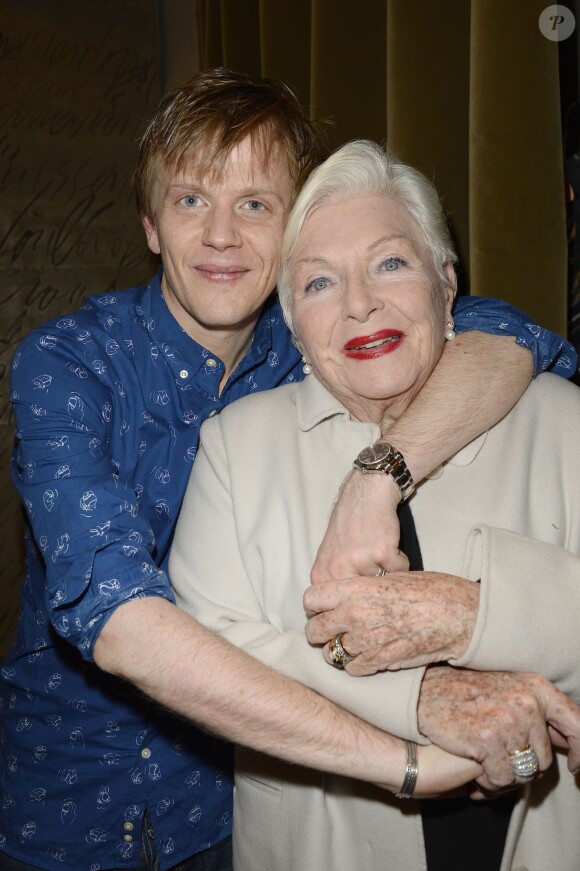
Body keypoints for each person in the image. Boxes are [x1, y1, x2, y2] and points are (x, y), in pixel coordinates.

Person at [1, 68, 575, 871]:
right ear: (151, 224)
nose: (223, 236)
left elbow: (500, 329)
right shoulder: (67, 364)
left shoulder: (315, 336)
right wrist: (411, 755)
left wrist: (380, 473)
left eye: (256, 205)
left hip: (226, 804)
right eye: (191, 200)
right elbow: (122, 620)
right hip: (68, 798)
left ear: (293, 226)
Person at [169, 140, 580, 871]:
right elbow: (215, 657)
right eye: (320, 283)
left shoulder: (563, 421)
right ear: (293, 321)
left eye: (390, 263)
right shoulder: (236, 446)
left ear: (447, 285)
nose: (360, 304)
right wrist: (422, 693)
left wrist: (481, 615)